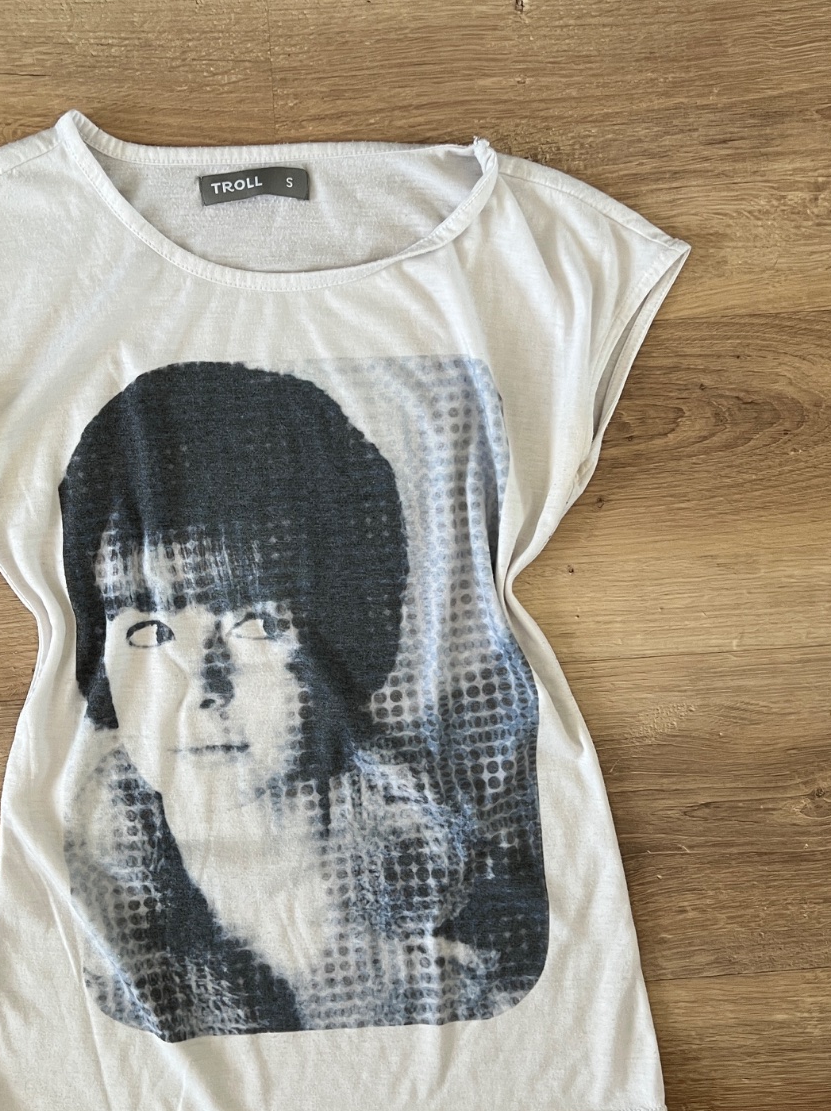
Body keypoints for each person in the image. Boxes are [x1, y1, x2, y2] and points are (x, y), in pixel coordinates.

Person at [58, 359, 544, 1040]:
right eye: (149, 631)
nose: (202, 686)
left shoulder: (487, 926)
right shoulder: (76, 925)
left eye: (254, 624)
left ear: (340, 631)